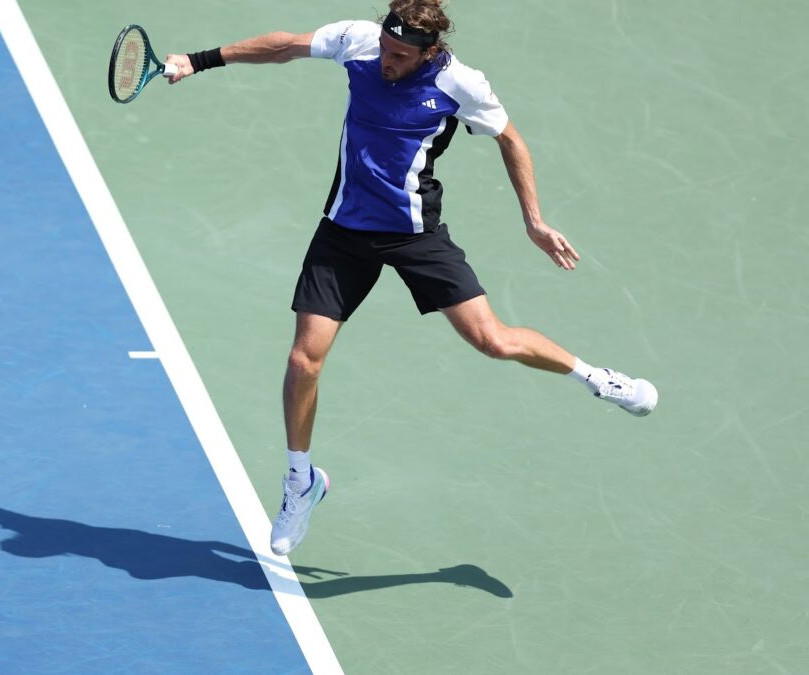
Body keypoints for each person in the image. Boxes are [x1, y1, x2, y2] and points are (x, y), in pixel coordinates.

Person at [163, 0, 658, 556]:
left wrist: (534, 220)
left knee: (491, 340)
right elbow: (284, 45)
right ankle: (300, 481)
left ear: (429, 52)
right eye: (385, 47)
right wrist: (198, 60)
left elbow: (511, 139)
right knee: (304, 360)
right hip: (344, 231)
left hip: (415, 234)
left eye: (399, 55)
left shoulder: (460, 83)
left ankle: (595, 378)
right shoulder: (360, 41)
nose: (385, 60)